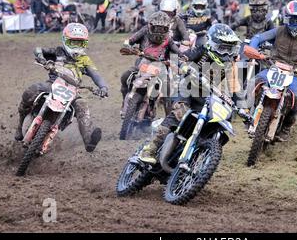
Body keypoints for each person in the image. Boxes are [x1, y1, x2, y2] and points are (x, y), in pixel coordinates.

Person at [137, 24, 244, 164]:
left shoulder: (231, 63)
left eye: (229, 49)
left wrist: (241, 108)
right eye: (222, 48)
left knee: (216, 122)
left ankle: (196, 158)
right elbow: (181, 58)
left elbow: (235, 87)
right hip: (186, 89)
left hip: (205, 97)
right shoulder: (202, 51)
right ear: (212, 44)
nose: (226, 53)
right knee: (180, 113)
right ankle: (149, 149)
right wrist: (184, 65)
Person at [14, 23, 109, 152]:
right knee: (33, 89)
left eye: (80, 43)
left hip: (73, 91)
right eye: (73, 42)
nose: (76, 47)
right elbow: (38, 49)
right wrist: (41, 58)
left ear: (85, 44)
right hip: (52, 84)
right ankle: (19, 125)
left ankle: (88, 141)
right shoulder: (58, 51)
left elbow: (96, 74)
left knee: (82, 106)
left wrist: (103, 87)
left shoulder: (85, 59)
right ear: (65, 40)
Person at [249, 0, 297, 142]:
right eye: (292, 20)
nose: (295, 24)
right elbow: (258, 37)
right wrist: (254, 49)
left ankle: (286, 126)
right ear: (286, 18)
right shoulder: (278, 31)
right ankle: (251, 111)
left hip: (294, 75)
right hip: (272, 68)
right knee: (255, 82)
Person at [120, 11, 181, 114]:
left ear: (167, 28)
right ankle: (125, 101)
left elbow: (177, 51)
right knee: (125, 76)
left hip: (160, 67)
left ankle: (168, 120)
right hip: (142, 63)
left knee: (168, 90)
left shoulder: (168, 39)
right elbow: (131, 40)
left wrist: (183, 56)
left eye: (163, 29)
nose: (159, 31)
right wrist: (127, 45)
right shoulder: (144, 31)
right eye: (156, 28)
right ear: (150, 26)